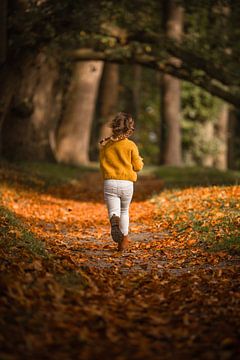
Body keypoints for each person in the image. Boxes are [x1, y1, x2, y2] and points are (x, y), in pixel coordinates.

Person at [99, 112, 144, 251]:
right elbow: (137, 167)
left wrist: (103, 147)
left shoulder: (107, 145)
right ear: (130, 128)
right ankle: (123, 242)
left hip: (110, 182)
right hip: (127, 184)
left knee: (115, 211)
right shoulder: (131, 145)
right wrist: (140, 161)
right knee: (125, 211)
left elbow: (102, 163)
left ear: (114, 127)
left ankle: (114, 219)